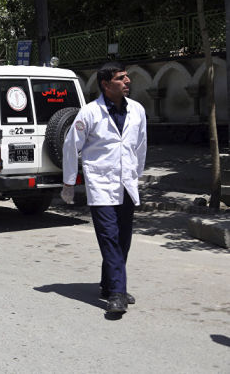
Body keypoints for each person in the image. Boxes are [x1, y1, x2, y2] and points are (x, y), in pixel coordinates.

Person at [61, 61, 147, 313]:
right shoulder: (89, 112)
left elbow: (141, 145)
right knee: (109, 238)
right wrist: (68, 182)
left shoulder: (138, 110)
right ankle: (118, 293)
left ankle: (109, 284)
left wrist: (137, 174)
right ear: (106, 85)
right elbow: (70, 146)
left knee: (123, 239)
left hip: (127, 184)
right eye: (121, 78)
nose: (127, 81)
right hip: (100, 185)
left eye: (127, 77)